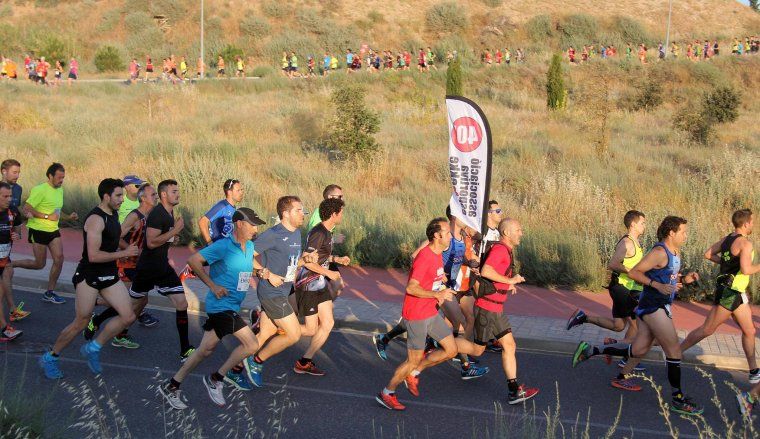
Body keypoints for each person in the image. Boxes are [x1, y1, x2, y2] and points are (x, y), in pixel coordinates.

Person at [572, 216, 703, 416]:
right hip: (653, 306)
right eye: (683, 231)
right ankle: (677, 399)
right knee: (674, 351)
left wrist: (685, 279)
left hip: (660, 305)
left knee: (639, 348)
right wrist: (657, 285)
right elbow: (635, 272)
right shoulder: (660, 252)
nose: (686, 235)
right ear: (671, 233)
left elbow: (669, 278)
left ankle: (591, 350)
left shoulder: (676, 252)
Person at [375, 218, 486, 411]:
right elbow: (411, 287)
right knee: (412, 359)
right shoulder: (425, 256)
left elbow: (433, 275)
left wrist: (440, 279)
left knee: (451, 350)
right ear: (437, 235)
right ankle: (387, 392)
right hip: (416, 315)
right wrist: (437, 294)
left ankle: (414, 373)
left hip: (430, 312)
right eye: (447, 232)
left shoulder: (438, 253)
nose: (451, 235)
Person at [159, 208, 266, 409]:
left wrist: (262, 272)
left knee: (204, 350)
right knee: (252, 345)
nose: (255, 228)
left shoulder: (249, 246)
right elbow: (193, 261)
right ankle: (216, 378)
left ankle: (172, 385)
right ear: (239, 224)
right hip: (221, 307)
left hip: (233, 304)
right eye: (252, 224)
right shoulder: (223, 246)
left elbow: (249, 263)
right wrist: (212, 285)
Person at [38, 179, 138, 379]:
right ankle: (50, 357)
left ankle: (93, 347)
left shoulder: (114, 213)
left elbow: (112, 238)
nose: (122, 199)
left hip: (108, 273)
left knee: (128, 316)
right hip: (89, 275)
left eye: (122, 195)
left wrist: (124, 248)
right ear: (106, 196)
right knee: (81, 321)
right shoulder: (95, 219)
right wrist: (123, 253)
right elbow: (93, 255)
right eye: (118, 195)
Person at [461, 219, 539, 404]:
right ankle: (443, 344)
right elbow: (487, 271)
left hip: (496, 308)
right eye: (518, 230)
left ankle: (514, 391)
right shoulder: (500, 250)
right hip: (487, 308)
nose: (521, 233)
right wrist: (510, 281)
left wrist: (507, 281)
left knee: (509, 345)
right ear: (506, 233)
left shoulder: (506, 250)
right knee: (477, 350)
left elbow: (493, 273)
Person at [242, 196, 317, 387]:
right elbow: (246, 255)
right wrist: (265, 274)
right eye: (299, 210)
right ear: (286, 213)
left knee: (266, 332)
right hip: (270, 292)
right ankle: (256, 361)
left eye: (303, 210)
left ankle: (233, 368)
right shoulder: (273, 234)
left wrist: (304, 260)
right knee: (293, 334)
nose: (303, 214)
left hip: (283, 291)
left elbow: (291, 263)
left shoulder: (296, 233)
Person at [680, 209, 759, 384]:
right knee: (707, 330)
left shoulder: (727, 239)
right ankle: (675, 354)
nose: (753, 224)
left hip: (735, 293)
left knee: (750, 330)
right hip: (730, 293)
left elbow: (708, 254)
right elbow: (746, 270)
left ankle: (754, 370)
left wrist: (728, 263)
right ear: (745, 224)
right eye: (752, 222)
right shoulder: (745, 244)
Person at [566, 211, 647, 378]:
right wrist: (633, 272)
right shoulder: (627, 243)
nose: (644, 226)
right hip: (623, 290)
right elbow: (613, 263)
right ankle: (622, 354)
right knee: (638, 329)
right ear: (632, 224)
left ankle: (583, 318)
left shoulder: (635, 242)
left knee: (618, 326)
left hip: (626, 289)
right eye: (642, 223)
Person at [85, 183, 160, 348]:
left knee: (141, 301)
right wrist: (129, 250)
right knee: (130, 301)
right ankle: (98, 320)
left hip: (139, 265)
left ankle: (118, 331)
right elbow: (116, 237)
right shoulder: (134, 216)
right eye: (153, 194)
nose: (156, 197)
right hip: (125, 264)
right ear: (143, 198)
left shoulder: (151, 215)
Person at [128, 180, 195, 361]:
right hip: (148, 268)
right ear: (164, 194)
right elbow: (150, 243)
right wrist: (174, 231)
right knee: (130, 307)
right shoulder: (158, 214)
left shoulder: (169, 212)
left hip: (163, 268)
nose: (178, 194)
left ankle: (185, 349)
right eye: (174, 191)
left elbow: (161, 239)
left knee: (182, 304)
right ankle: (99, 320)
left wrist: (172, 236)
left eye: (178, 191)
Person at [292, 198, 351, 376]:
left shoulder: (327, 232)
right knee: (310, 329)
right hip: (308, 283)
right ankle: (275, 328)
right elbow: (307, 261)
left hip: (319, 284)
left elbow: (321, 257)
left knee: (327, 323)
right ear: (333, 214)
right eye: (341, 212)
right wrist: (329, 274)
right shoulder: (319, 232)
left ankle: (304, 362)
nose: (342, 215)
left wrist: (336, 259)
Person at [14, 163, 78, 304]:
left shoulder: (59, 190)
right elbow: (26, 208)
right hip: (38, 230)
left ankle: (49, 292)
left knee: (59, 258)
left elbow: (56, 213)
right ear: (50, 176)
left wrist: (69, 217)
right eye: (59, 177)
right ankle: (10, 265)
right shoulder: (40, 189)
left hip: (53, 230)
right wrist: (47, 217)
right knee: (39, 264)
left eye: (63, 177)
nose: (62, 180)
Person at [0, 159, 29, 322]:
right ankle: (11, 311)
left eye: (19, 172)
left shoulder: (18, 189)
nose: (17, 175)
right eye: (14, 172)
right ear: (4, 171)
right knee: (7, 274)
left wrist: (16, 232)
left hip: (5, 242)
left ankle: (11, 311)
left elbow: (14, 212)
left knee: (7, 274)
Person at [0, 182, 23, 341]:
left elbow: (18, 232)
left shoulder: (13, 211)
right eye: (5, 196)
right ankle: (4, 329)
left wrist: (16, 235)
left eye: (10, 196)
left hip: (4, 260)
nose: (9, 199)